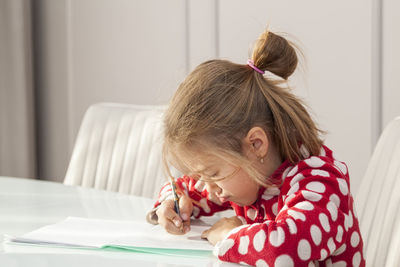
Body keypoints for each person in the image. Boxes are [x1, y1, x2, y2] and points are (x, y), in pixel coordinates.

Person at [146, 29, 365, 267]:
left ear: (255, 145)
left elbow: (285, 249)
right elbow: (185, 188)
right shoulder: (250, 177)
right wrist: (174, 204)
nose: (207, 187)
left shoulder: (320, 183)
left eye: (213, 174)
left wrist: (227, 236)